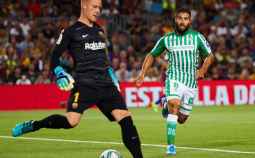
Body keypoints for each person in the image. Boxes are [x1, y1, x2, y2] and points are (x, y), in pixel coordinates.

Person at [11, 0, 143, 157]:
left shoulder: (99, 30)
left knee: (125, 119)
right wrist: (59, 72)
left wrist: (113, 77)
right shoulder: (70, 31)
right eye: (94, 7)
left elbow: (104, 59)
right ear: (84, 5)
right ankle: (35, 125)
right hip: (85, 85)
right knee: (72, 121)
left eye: (99, 7)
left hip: (106, 85)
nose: (97, 10)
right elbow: (54, 57)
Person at [136, 7, 214, 155]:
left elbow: (210, 56)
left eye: (186, 18)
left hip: (191, 82)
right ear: (175, 20)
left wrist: (203, 70)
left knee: (182, 118)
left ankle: (165, 104)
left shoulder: (197, 37)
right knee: (175, 105)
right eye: (180, 18)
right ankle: (171, 146)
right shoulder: (167, 39)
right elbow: (151, 55)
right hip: (174, 77)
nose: (182, 21)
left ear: (190, 21)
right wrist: (142, 74)